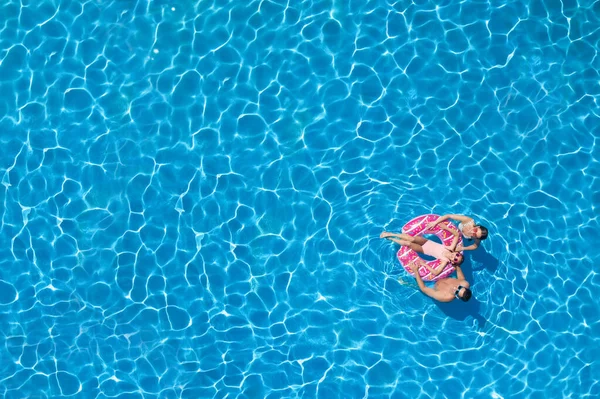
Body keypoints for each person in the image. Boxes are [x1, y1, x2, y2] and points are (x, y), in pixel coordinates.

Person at [380, 226, 464, 275]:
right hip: (426, 242)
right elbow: (456, 235)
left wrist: (425, 265)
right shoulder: (450, 248)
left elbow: (436, 273)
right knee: (411, 239)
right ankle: (390, 234)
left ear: (453, 262)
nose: (455, 256)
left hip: (423, 250)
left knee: (408, 244)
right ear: (456, 252)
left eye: (456, 259)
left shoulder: (445, 261)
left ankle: (390, 239)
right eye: (457, 255)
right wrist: (445, 227)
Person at [407, 258, 472, 302]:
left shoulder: (444, 297)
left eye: (457, 292)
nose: (455, 288)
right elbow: (458, 269)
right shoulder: (464, 283)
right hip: (443, 276)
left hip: (431, 284)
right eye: (459, 287)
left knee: (409, 282)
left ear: (457, 297)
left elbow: (423, 288)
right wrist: (453, 261)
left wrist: (415, 271)